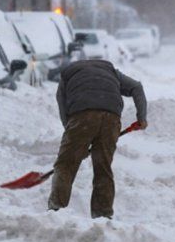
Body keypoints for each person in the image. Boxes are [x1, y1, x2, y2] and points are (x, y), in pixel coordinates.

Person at [49, 59, 147, 219]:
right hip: (111, 117)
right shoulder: (111, 71)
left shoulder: (67, 76)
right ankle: (103, 216)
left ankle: (56, 212)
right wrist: (141, 118)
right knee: (103, 168)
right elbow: (137, 87)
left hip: (82, 116)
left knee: (65, 165)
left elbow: (63, 110)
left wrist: (76, 143)